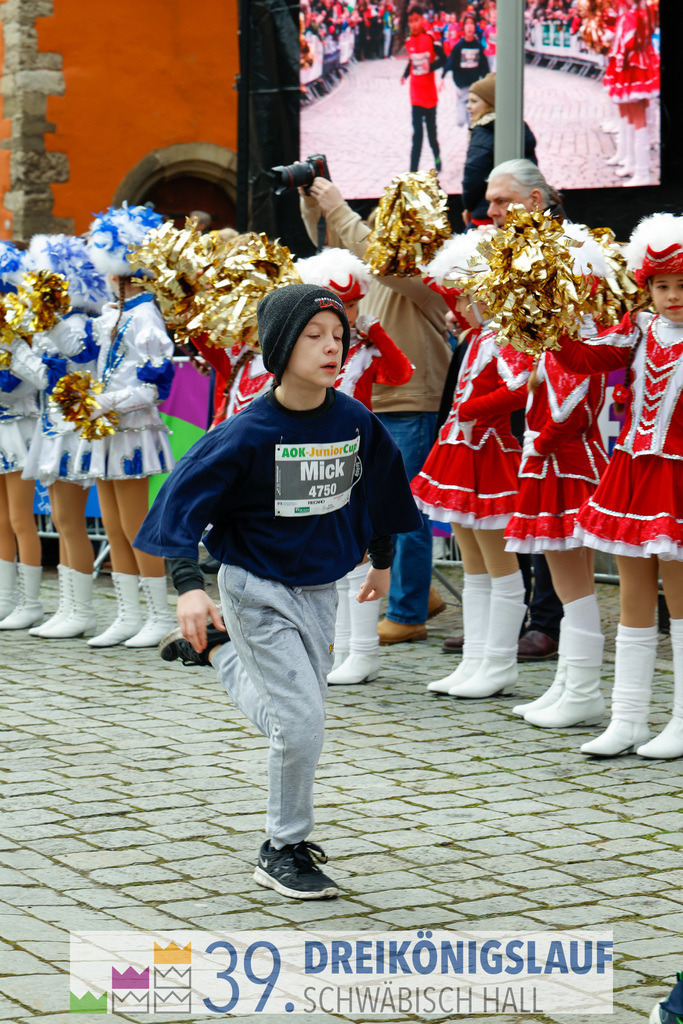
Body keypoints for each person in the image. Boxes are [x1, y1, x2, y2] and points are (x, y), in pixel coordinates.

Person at [134, 283, 422, 898]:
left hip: (322, 589)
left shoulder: (353, 421)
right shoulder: (247, 432)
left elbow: (381, 492)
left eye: (338, 337)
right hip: (255, 587)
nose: (330, 348)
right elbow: (180, 504)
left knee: (296, 720)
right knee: (301, 724)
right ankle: (283, 847)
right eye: (314, 336)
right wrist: (188, 587)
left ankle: (218, 650)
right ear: (281, 346)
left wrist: (382, 560)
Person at [551, 213, 683, 760]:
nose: (672, 296)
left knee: (679, 600)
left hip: (677, 476)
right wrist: (548, 323)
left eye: (681, 285)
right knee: (632, 594)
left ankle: (680, 719)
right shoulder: (638, 329)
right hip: (633, 474)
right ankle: (627, 717)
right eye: (662, 285)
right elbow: (584, 358)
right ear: (646, 287)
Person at [300, 177, 451, 644]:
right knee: (367, 510)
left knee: (403, 511)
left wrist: (340, 207)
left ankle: (407, 615)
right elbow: (333, 254)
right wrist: (314, 209)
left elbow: (384, 263)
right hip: (370, 406)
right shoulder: (375, 269)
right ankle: (416, 592)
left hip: (410, 402)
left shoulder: (427, 271)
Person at [413, 233, 531, 699]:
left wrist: (476, 411)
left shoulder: (505, 335)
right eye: (459, 296)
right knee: (474, 567)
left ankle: (499, 663)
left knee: (500, 566)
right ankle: (476, 659)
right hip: (461, 453)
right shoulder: (477, 336)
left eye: (467, 294)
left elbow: (523, 386)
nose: (460, 304)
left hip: (491, 454)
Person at [504, 225, 611, 729]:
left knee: (576, 583)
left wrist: (538, 444)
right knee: (569, 583)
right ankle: (570, 683)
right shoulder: (556, 339)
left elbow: (572, 409)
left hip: (570, 468)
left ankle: (584, 688)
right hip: (552, 465)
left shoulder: (584, 337)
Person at [296, 247, 414, 684]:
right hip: (316, 456)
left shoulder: (364, 349)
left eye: (351, 305)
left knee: (361, 554)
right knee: (333, 556)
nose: (345, 314)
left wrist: (374, 329)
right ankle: (339, 649)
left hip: (357, 455)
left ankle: (363, 653)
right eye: (337, 305)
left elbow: (402, 373)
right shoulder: (315, 349)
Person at [83, 204, 177, 649]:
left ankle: (159, 615)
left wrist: (108, 402)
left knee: (135, 523)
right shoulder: (114, 314)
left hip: (133, 428)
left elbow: (157, 387)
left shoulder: (145, 317)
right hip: (107, 430)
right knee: (113, 524)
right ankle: (127, 614)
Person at [484, 158, 566, 661]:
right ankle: (515, 620)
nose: (489, 210)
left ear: (535, 201)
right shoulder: (506, 249)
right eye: (490, 200)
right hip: (517, 392)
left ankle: (547, 622)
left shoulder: (568, 248)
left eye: (501, 201)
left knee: (553, 510)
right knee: (524, 507)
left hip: (558, 399)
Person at [11, 234, 111, 638]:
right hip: (54, 425)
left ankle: (81, 608)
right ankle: (70, 606)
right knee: (60, 517)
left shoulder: (81, 322)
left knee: (69, 520)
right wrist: (17, 350)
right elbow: (44, 377)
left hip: (74, 430)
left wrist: (44, 321)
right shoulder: (59, 321)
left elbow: (75, 352)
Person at [0, 243, 42, 629]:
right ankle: (5, 597)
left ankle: (30, 602)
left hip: (16, 424)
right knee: (0, 519)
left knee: (19, 518)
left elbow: (34, 379)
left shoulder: (18, 327)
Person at [461, 73, 537, 229]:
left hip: (486, 216)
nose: (468, 106)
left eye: (474, 101)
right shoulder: (519, 129)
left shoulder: (482, 131)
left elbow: (473, 175)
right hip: (520, 217)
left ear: (491, 103)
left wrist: (469, 206)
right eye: (469, 101)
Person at [603, 0, 659, 187]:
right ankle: (630, 159)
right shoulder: (631, 15)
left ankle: (642, 171)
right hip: (629, 69)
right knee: (628, 116)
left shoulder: (636, 15)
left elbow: (630, 44)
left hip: (634, 69)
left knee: (637, 119)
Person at [401, 3, 443, 173]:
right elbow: (411, 61)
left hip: (430, 97)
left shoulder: (430, 39)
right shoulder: (409, 41)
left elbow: (444, 59)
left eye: (416, 20)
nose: (413, 24)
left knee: (432, 134)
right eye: (410, 21)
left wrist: (430, 67)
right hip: (416, 97)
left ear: (422, 20)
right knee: (417, 135)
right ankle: (413, 170)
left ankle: (437, 157)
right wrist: (405, 75)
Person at [441, 11, 489, 129]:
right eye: (467, 24)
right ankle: (459, 105)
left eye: (472, 24)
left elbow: (484, 66)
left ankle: (471, 143)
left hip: (473, 87)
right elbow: (450, 61)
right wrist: (443, 76)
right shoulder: (459, 46)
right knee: (461, 120)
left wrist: (487, 80)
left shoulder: (477, 46)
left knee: (472, 123)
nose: (469, 27)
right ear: (463, 27)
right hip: (462, 87)